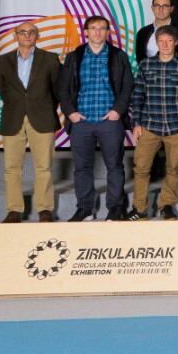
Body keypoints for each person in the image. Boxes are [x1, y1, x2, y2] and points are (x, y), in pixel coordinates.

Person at [58, 16, 134, 221]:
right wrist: (71, 112)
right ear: (86, 32)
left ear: (108, 32)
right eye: (94, 28)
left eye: (102, 28)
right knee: (82, 167)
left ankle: (116, 208)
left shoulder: (118, 56)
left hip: (110, 121)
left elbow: (127, 86)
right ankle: (84, 208)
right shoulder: (74, 56)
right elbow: (63, 88)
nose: (98, 32)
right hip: (81, 121)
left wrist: (118, 110)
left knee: (115, 166)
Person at [0, 22, 62, 223]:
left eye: (31, 32)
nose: (27, 35)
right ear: (16, 36)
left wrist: (42, 106)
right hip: (13, 117)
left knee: (43, 167)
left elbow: (57, 89)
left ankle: (44, 209)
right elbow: (2, 87)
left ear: (37, 36)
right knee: (11, 168)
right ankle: (14, 210)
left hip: (42, 117)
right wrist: (19, 105)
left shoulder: (50, 59)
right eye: (22, 32)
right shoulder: (3, 60)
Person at [129, 25, 178, 220]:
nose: (165, 45)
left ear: (176, 42)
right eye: (161, 41)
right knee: (141, 168)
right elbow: (138, 95)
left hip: (177, 125)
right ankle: (139, 208)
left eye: (169, 41)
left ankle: (166, 205)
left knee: (173, 168)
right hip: (150, 125)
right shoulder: (146, 65)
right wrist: (136, 123)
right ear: (156, 43)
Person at [134, 0, 175, 65]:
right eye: (157, 6)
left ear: (171, 9)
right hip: (150, 74)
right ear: (152, 8)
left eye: (165, 6)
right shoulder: (143, 33)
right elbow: (140, 59)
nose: (160, 9)